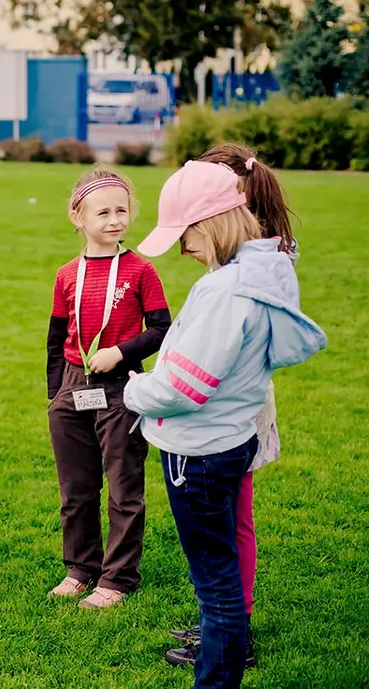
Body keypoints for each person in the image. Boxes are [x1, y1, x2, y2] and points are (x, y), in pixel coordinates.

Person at [124, 160, 326, 689]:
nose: (183, 248)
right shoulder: (255, 276)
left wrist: (132, 388)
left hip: (199, 452)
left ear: (212, 222)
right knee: (221, 580)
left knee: (215, 587)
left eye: (185, 235)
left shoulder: (223, 293)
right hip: (231, 437)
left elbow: (184, 387)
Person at [164, 144, 299, 670]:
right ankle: (224, 623)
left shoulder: (254, 263)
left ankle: (229, 633)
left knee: (229, 522)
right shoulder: (265, 251)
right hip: (240, 403)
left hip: (230, 410)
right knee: (231, 519)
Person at [45, 167, 171, 609]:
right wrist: (55, 393)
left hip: (121, 388)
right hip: (73, 389)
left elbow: (161, 328)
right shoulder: (66, 275)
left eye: (122, 210)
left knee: (123, 487)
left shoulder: (140, 271)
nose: (114, 219)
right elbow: (57, 337)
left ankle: (118, 578)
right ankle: (80, 568)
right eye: (103, 212)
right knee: (76, 489)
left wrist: (119, 352)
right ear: (77, 216)